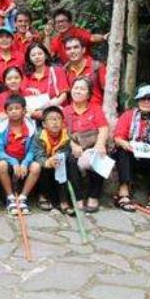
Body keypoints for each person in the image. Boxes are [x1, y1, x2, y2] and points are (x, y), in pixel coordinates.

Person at [112, 85, 150, 213]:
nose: (146, 102)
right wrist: (126, 144)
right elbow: (118, 138)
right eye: (143, 99)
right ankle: (123, 192)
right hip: (132, 155)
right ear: (138, 101)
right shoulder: (128, 115)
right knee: (122, 151)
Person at [63, 76, 110, 213]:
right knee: (71, 160)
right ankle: (78, 198)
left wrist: (100, 144)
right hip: (74, 144)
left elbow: (103, 128)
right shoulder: (65, 111)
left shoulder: (96, 109)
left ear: (89, 94)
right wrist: (73, 145)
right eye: (75, 88)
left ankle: (93, 197)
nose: (78, 91)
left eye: (82, 89)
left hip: (93, 144)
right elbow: (63, 132)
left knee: (100, 157)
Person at [32, 106, 81, 215]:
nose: (55, 122)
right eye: (50, 119)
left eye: (58, 118)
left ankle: (64, 201)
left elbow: (66, 151)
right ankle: (43, 196)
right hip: (45, 164)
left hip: (58, 164)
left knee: (64, 165)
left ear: (63, 123)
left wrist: (58, 156)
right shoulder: (39, 136)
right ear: (44, 124)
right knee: (40, 167)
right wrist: (47, 162)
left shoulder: (66, 136)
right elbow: (38, 154)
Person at [0, 95, 39, 215]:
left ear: (24, 110)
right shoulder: (2, 127)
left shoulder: (30, 127)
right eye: (10, 109)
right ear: (6, 112)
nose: (14, 111)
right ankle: (10, 197)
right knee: (1, 165)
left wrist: (25, 162)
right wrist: (13, 161)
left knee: (36, 167)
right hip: (8, 159)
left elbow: (32, 150)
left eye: (17, 108)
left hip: (24, 159)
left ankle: (23, 197)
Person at [23, 43, 69, 120]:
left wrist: (48, 108)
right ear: (29, 58)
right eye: (33, 55)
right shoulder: (26, 75)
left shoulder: (57, 71)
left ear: (46, 55)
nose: (37, 57)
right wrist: (29, 89)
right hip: (33, 115)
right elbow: (22, 95)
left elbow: (64, 94)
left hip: (55, 112)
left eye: (40, 54)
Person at [64, 36, 107, 107]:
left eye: (76, 47)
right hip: (75, 110)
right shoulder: (65, 70)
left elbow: (108, 91)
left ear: (83, 50)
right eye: (68, 49)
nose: (72, 51)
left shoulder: (96, 66)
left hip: (96, 109)